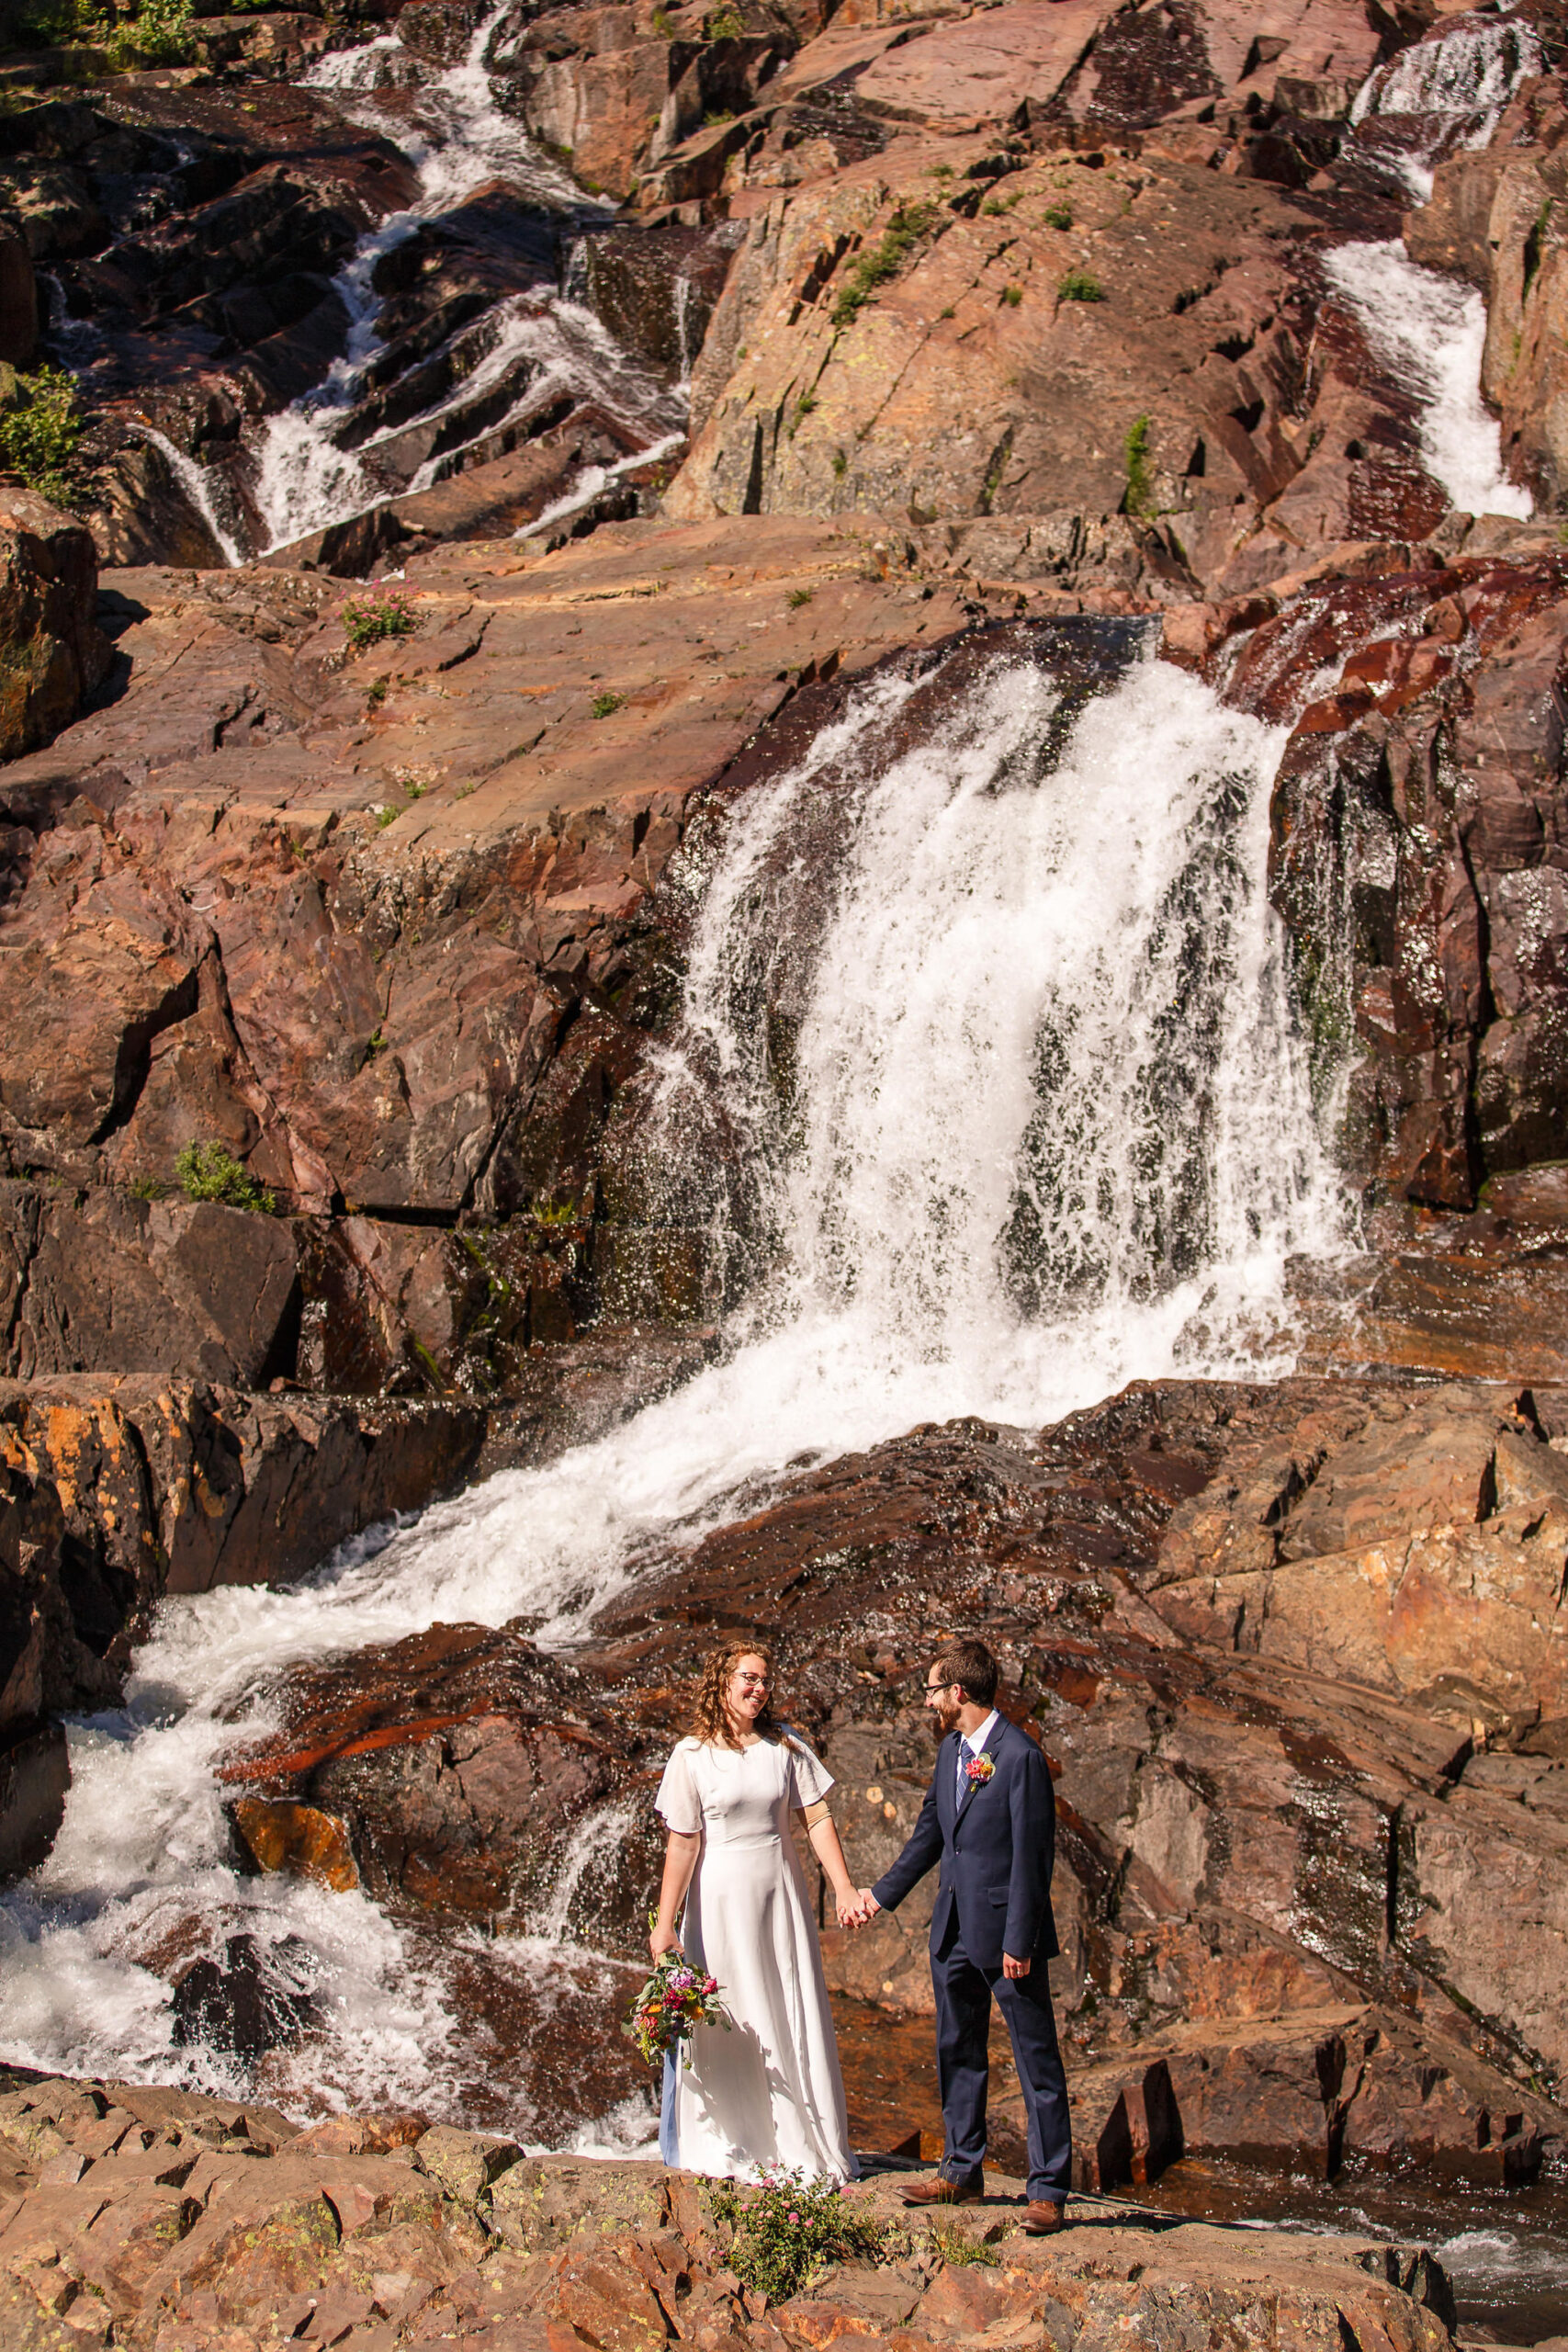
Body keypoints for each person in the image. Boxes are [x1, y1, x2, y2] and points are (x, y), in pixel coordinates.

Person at [846, 1637, 1072, 2233]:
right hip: (950, 1928)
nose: (926, 1703)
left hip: (1004, 1936)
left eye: (930, 1690)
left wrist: (1019, 1942)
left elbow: (1033, 1858)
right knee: (957, 2052)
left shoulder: (1020, 1757)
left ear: (957, 1692)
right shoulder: (950, 1751)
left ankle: (1046, 2190)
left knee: (1035, 2061)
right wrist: (878, 1896)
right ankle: (959, 2172)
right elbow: (928, 1836)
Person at [651, 1640, 861, 2180]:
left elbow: (817, 1819)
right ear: (721, 1681)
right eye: (748, 1677)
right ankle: (733, 2142)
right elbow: (682, 1844)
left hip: (779, 1894)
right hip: (719, 1900)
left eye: (765, 1680)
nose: (759, 1688)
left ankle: (798, 2140)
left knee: (787, 2002)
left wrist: (842, 1887)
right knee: (733, 2009)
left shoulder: (785, 1745)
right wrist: (663, 1924)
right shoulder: (690, 1755)